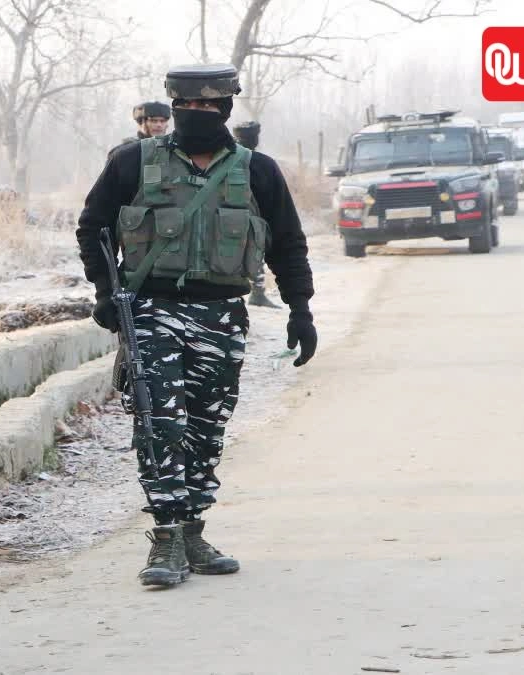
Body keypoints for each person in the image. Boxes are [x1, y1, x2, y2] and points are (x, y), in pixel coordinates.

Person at [76, 64, 317, 587]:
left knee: (207, 428)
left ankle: (193, 532)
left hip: (221, 316)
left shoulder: (258, 170)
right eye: (187, 106)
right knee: (160, 422)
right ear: (173, 107)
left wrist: (300, 308)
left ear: (225, 110)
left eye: (208, 106)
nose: (197, 114)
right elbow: (92, 227)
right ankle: (165, 536)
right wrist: (105, 293)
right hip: (152, 312)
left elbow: (288, 243)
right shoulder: (132, 162)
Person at [233, 120, 282, 309]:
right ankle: (254, 293)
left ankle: (257, 293)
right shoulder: (241, 159)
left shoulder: (252, 160)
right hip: (238, 217)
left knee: (253, 254)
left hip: (247, 216)